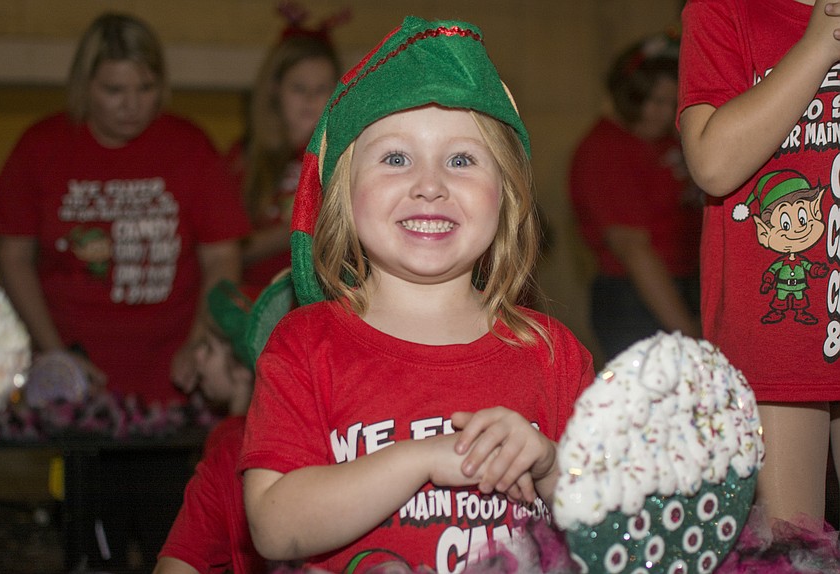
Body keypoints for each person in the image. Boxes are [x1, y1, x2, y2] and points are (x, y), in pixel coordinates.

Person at [238, 16, 595, 574]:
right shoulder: (305, 344)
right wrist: (425, 458)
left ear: (506, 197)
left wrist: (551, 466)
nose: (430, 184)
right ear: (343, 197)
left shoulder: (552, 353)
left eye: (461, 160)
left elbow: (622, 529)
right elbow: (274, 526)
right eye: (396, 158)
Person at [0, 12, 251, 405]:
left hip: (172, 378)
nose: (131, 105)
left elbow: (222, 256)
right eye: (114, 90)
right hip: (74, 378)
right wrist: (56, 353)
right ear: (85, 85)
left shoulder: (189, 146)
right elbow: (13, 255)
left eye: (145, 88)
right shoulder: (41, 147)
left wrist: (198, 343)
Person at [678, 0, 840, 524]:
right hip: (779, 332)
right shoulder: (724, 10)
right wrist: (819, 46)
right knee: (789, 547)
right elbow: (713, 163)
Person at [569, 32, 702, 363]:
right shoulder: (605, 150)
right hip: (637, 298)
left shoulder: (666, 141)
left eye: (674, 104)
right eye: (656, 102)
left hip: (684, 286)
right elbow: (633, 249)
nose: (665, 115)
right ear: (631, 95)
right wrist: (690, 335)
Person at [154, 273, 293, 574]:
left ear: (246, 367)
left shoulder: (229, 442)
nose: (198, 357)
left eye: (210, 348)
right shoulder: (230, 446)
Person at [226, 2, 344, 289]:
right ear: (275, 89)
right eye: (299, 89)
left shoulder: (347, 154)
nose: (310, 100)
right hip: (258, 301)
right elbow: (224, 252)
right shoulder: (244, 158)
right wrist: (296, 227)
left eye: (322, 90)